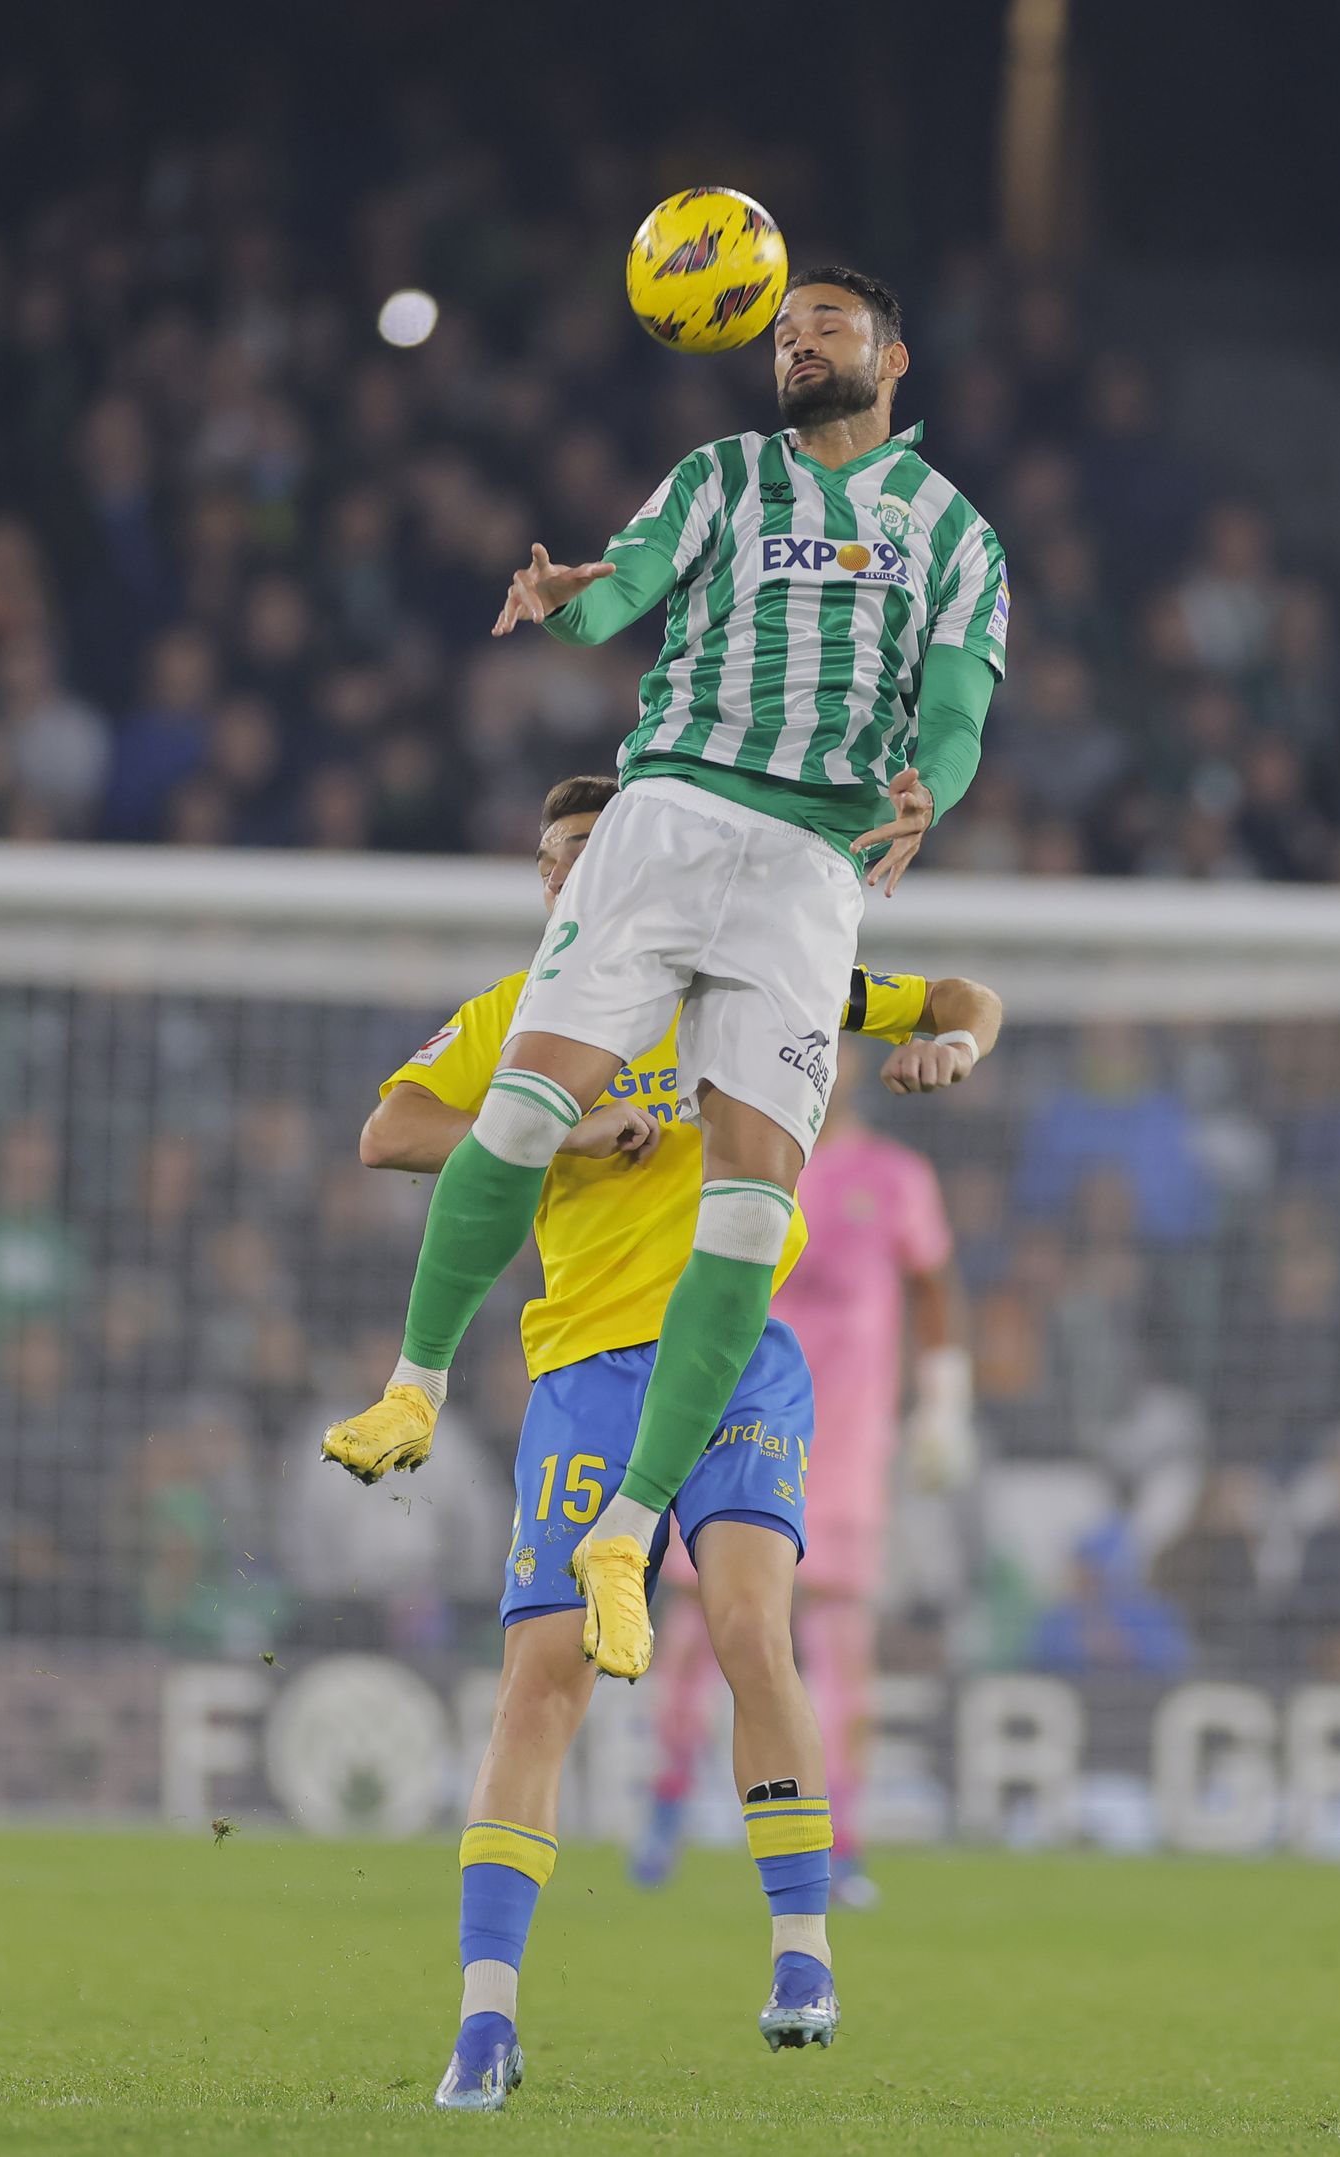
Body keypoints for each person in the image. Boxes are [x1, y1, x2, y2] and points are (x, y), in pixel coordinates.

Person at [324, 267, 1009, 1684]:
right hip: (674, 818)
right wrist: (576, 602)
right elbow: (623, 580)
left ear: (890, 350)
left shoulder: (955, 534)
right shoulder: (721, 479)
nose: (796, 340)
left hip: (815, 871)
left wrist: (929, 787)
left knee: (752, 1220)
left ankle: (628, 1537)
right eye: (779, 330)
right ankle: (412, 1386)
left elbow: (956, 707)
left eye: (822, 321)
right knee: (522, 1110)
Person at [351, 776, 1002, 2110]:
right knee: (543, 1680)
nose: (576, 875)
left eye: (597, 849)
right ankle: (484, 2024)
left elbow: (960, 997)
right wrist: (560, 1130)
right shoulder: (523, 1025)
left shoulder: (764, 978)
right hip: (587, 1375)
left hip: (741, 1368)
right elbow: (389, 1131)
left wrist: (955, 1048)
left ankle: (805, 1953)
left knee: (759, 1626)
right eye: (559, 860)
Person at [632, 1041, 975, 1906]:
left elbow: (934, 1286)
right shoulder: (736, 1151)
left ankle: (843, 1839)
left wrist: (944, 1402)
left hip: (848, 1441)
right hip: (736, 1419)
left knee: (837, 1638)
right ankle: (665, 1805)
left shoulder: (894, 1176)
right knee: (695, 1621)